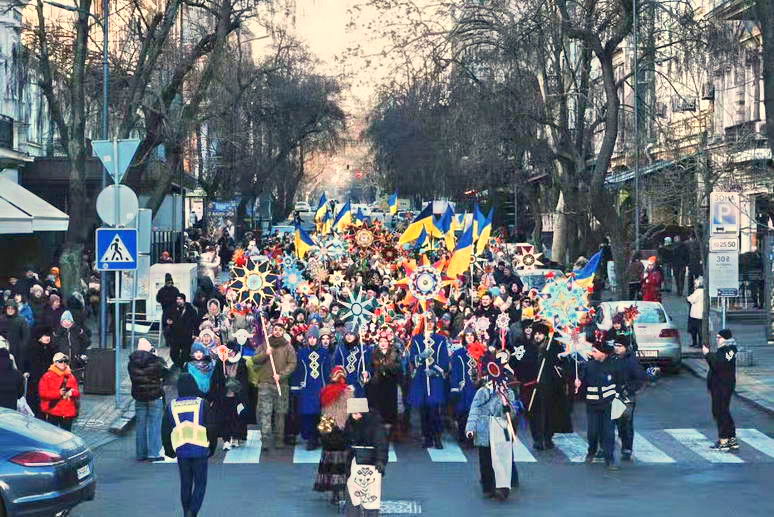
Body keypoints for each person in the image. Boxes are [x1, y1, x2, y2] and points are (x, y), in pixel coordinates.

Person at [162, 373, 217, 517]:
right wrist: (212, 446)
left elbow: (165, 430)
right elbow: (211, 427)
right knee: (200, 484)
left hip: (182, 450)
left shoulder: (171, 406)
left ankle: (186, 511)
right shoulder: (202, 403)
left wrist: (169, 450)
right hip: (200, 449)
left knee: (185, 483)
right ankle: (193, 511)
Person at [465, 360, 519, 501]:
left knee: (503, 459)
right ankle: (488, 487)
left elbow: (512, 413)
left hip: (501, 429)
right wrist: (471, 428)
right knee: (486, 460)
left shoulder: (508, 393)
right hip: (484, 430)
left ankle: (503, 488)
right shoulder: (482, 392)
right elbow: (474, 410)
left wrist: (506, 405)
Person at [576, 340, 621, 470]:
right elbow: (582, 384)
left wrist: (617, 397)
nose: (592, 353)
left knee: (609, 432)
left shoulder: (614, 366)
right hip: (593, 405)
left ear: (604, 354)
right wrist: (578, 384)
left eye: (595, 351)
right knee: (593, 431)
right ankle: (592, 450)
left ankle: (609, 458)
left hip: (609, 404)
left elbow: (619, 383)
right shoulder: (588, 366)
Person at [526, 323, 572, 450]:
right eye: (535, 334)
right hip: (533, 386)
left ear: (545, 335)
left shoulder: (552, 346)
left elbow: (561, 362)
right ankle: (537, 439)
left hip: (549, 386)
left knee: (549, 413)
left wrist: (550, 357)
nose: (537, 336)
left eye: (540, 334)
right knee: (534, 414)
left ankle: (547, 437)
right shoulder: (529, 347)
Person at [252, 322, 297, 450]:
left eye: (280, 330)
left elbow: (292, 363)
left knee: (280, 413)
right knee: (265, 412)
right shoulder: (265, 344)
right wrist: (265, 354)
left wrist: (281, 375)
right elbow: (254, 360)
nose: (277, 332)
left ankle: (279, 439)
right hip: (265, 383)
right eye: (275, 329)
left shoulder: (288, 347)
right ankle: (265, 439)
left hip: (281, 384)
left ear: (283, 332)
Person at [407, 314, 450, 449]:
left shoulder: (441, 339)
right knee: (423, 409)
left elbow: (444, 359)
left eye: (431, 321)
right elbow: (412, 357)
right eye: (427, 321)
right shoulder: (417, 339)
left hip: (435, 378)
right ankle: (427, 437)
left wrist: (435, 370)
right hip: (421, 377)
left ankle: (437, 437)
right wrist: (420, 357)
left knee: (435, 409)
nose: (429, 324)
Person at [315, 366, 354, 505]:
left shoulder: (325, 391)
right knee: (343, 463)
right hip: (342, 430)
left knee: (330, 462)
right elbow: (352, 411)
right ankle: (341, 491)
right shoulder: (348, 392)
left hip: (328, 428)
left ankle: (334, 493)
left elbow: (323, 409)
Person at [343, 397, 388, 517]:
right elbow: (346, 442)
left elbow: (381, 445)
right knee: (352, 496)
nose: (355, 416)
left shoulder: (375, 425)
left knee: (370, 498)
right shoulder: (350, 423)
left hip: (371, 465)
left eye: (357, 413)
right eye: (353, 414)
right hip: (354, 464)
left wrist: (381, 461)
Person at [128, 338, 168, 462]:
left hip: (139, 397)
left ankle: (141, 453)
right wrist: (156, 356)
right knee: (154, 424)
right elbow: (165, 373)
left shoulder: (132, 363)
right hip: (154, 396)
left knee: (140, 425)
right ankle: (154, 453)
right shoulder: (155, 361)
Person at [291, 326, 331, 450]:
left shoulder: (324, 353)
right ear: (307, 339)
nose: (312, 340)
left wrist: (329, 386)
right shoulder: (302, 352)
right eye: (310, 338)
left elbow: (327, 370)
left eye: (314, 338)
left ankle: (320, 437)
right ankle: (309, 438)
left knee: (320, 413)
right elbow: (298, 370)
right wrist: (296, 386)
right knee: (306, 414)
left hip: (320, 387)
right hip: (306, 387)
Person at [611, 337, 649, 461]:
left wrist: (629, 390)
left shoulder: (631, 361)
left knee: (626, 422)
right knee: (617, 422)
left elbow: (640, 378)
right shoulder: (613, 359)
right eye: (615, 345)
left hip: (627, 397)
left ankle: (627, 448)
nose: (617, 348)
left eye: (620, 346)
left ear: (626, 347)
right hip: (615, 396)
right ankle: (622, 442)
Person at [703, 329, 739, 451]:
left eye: (719, 338)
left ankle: (724, 439)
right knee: (724, 411)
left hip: (721, 385)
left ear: (725, 339)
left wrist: (707, 354)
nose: (717, 340)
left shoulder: (727, 350)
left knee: (719, 411)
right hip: (723, 385)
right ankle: (731, 438)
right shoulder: (730, 350)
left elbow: (718, 365)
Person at [210, 340, 249, 450]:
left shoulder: (242, 363)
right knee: (224, 418)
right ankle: (226, 439)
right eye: (229, 350)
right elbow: (214, 380)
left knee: (237, 417)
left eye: (233, 351)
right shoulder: (220, 362)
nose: (231, 353)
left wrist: (243, 396)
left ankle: (236, 437)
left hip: (237, 396)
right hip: (224, 396)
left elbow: (245, 381)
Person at [366, 334, 401, 441]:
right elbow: (370, 368)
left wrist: (386, 365)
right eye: (381, 341)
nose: (383, 343)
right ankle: (379, 434)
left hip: (390, 385)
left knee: (389, 410)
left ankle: (389, 432)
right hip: (377, 386)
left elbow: (397, 368)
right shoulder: (373, 354)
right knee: (378, 409)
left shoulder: (394, 354)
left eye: (385, 341)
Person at [450, 330, 480, 447]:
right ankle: (463, 436)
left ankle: (473, 437)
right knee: (463, 413)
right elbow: (455, 371)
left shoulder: (481, 352)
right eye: (467, 335)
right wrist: (455, 386)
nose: (470, 337)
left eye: (472, 335)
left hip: (477, 387)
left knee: (475, 413)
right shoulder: (458, 353)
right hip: (464, 387)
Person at [38, 352, 80, 430]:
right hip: (53, 411)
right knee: (52, 436)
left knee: (67, 436)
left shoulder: (71, 376)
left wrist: (72, 393)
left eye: (65, 361)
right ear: (55, 363)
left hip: (68, 413)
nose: (63, 363)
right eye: (60, 361)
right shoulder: (47, 376)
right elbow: (42, 394)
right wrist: (58, 393)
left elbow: (77, 393)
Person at [333, 324, 372, 397]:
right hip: (344, 384)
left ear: (356, 335)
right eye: (347, 334)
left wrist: (366, 373)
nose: (349, 336)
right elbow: (336, 365)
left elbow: (369, 366)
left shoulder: (364, 349)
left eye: (351, 334)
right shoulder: (340, 349)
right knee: (345, 406)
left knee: (357, 407)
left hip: (359, 384)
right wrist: (339, 377)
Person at [52, 311, 89, 377]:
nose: (66, 323)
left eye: (68, 320)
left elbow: (86, 342)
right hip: (62, 361)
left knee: (75, 379)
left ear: (72, 322)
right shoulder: (58, 332)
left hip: (75, 361)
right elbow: (53, 345)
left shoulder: (77, 330)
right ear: (61, 322)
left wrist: (80, 353)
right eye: (64, 321)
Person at [168, 294, 199, 369]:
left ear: (184, 300)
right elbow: (169, 319)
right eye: (177, 299)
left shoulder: (191, 310)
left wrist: (195, 334)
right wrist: (169, 323)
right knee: (173, 353)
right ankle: (179, 365)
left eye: (180, 299)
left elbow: (196, 323)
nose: (178, 301)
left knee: (185, 355)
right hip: (176, 336)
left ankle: (182, 367)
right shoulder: (173, 309)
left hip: (187, 336)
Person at [0, 300, 30, 374]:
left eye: (12, 308)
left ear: (15, 309)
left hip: (18, 350)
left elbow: (26, 336)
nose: (10, 310)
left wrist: (21, 347)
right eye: (8, 308)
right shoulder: (1, 319)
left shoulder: (21, 320)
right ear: (5, 309)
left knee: (17, 370)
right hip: (3, 348)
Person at [687, 277, 704, 348]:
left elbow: (691, 299)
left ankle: (696, 343)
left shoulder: (698, 291)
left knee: (695, 329)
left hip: (696, 314)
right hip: (700, 314)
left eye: (695, 283)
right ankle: (699, 343)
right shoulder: (703, 291)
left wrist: (688, 298)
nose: (694, 284)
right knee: (699, 329)